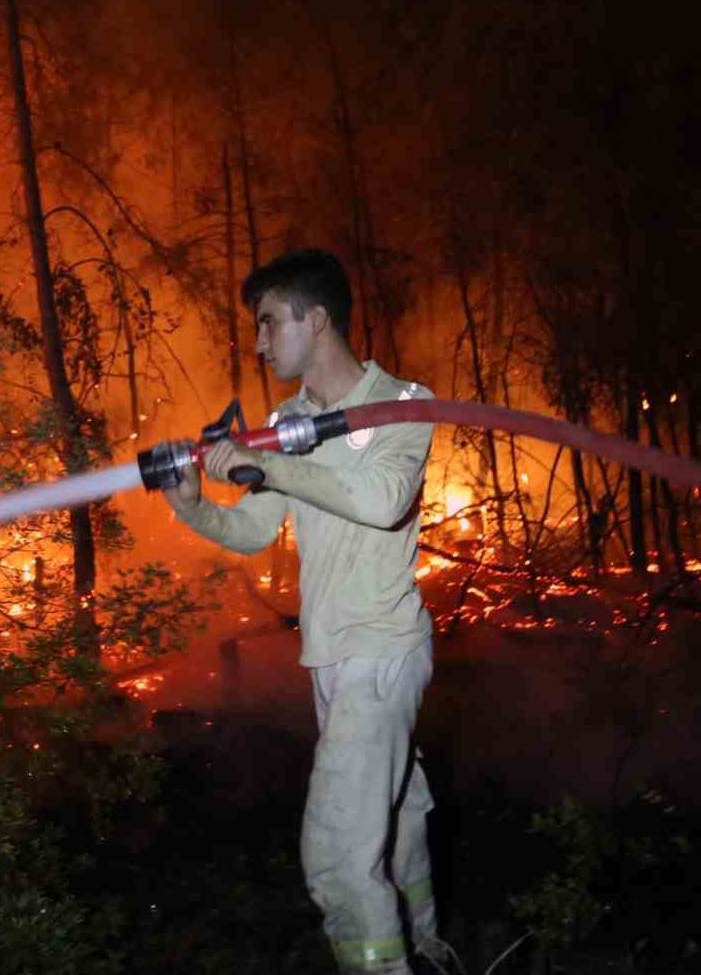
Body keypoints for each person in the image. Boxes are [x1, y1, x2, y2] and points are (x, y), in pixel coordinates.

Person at [162, 248, 440, 973]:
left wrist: (272, 464)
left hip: (379, 653)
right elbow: (253, 531)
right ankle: (431, 947)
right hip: (333, 656)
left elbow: (382, 504)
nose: (258, 340)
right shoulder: (287, 419)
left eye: (268, 322)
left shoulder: (404, 404)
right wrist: (195, 507)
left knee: (338, 859)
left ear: (317, 320)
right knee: (397, 820)